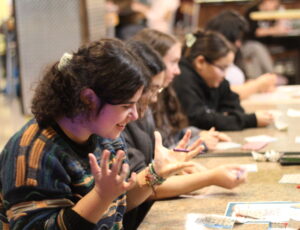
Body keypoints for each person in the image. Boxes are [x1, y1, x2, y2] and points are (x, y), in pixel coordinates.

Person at [0, 38, 201, 230]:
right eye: (126, 106)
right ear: (89, 99)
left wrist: (155, 173)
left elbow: (119, 204)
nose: (135, 115)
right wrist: (100, 196)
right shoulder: (34, 150)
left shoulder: (105, 134)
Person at [122, 35, 247, 230]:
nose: (178, 70)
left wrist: (173, 165)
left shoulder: (142, 111)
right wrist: (211, 177)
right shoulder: (128, 118)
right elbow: (146, 187)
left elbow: (152, 170)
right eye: (173, 62)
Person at [133, 28, 231, 149]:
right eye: (173, 62)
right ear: (153, 62)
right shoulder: (137, 106)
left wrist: (196, 134)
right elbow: (156, 156)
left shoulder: (164, 92)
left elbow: (169, 136)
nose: (178, 71)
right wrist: (199, 143)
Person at [172, 30, 274, 131]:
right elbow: (199, 119)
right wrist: (250, 120)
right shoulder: (182, 78)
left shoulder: (216, 80)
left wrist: (223, 119)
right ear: (200, 62)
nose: (224, 74)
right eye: (222, 68)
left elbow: (235, 106)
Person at [205, 10, 277, 100]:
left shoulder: (234, 54)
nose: (239, 44)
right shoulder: (210, 60)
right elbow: (225, 94)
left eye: (240, 38)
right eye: (236, 38)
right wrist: (258, 84)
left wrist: (258, 85)